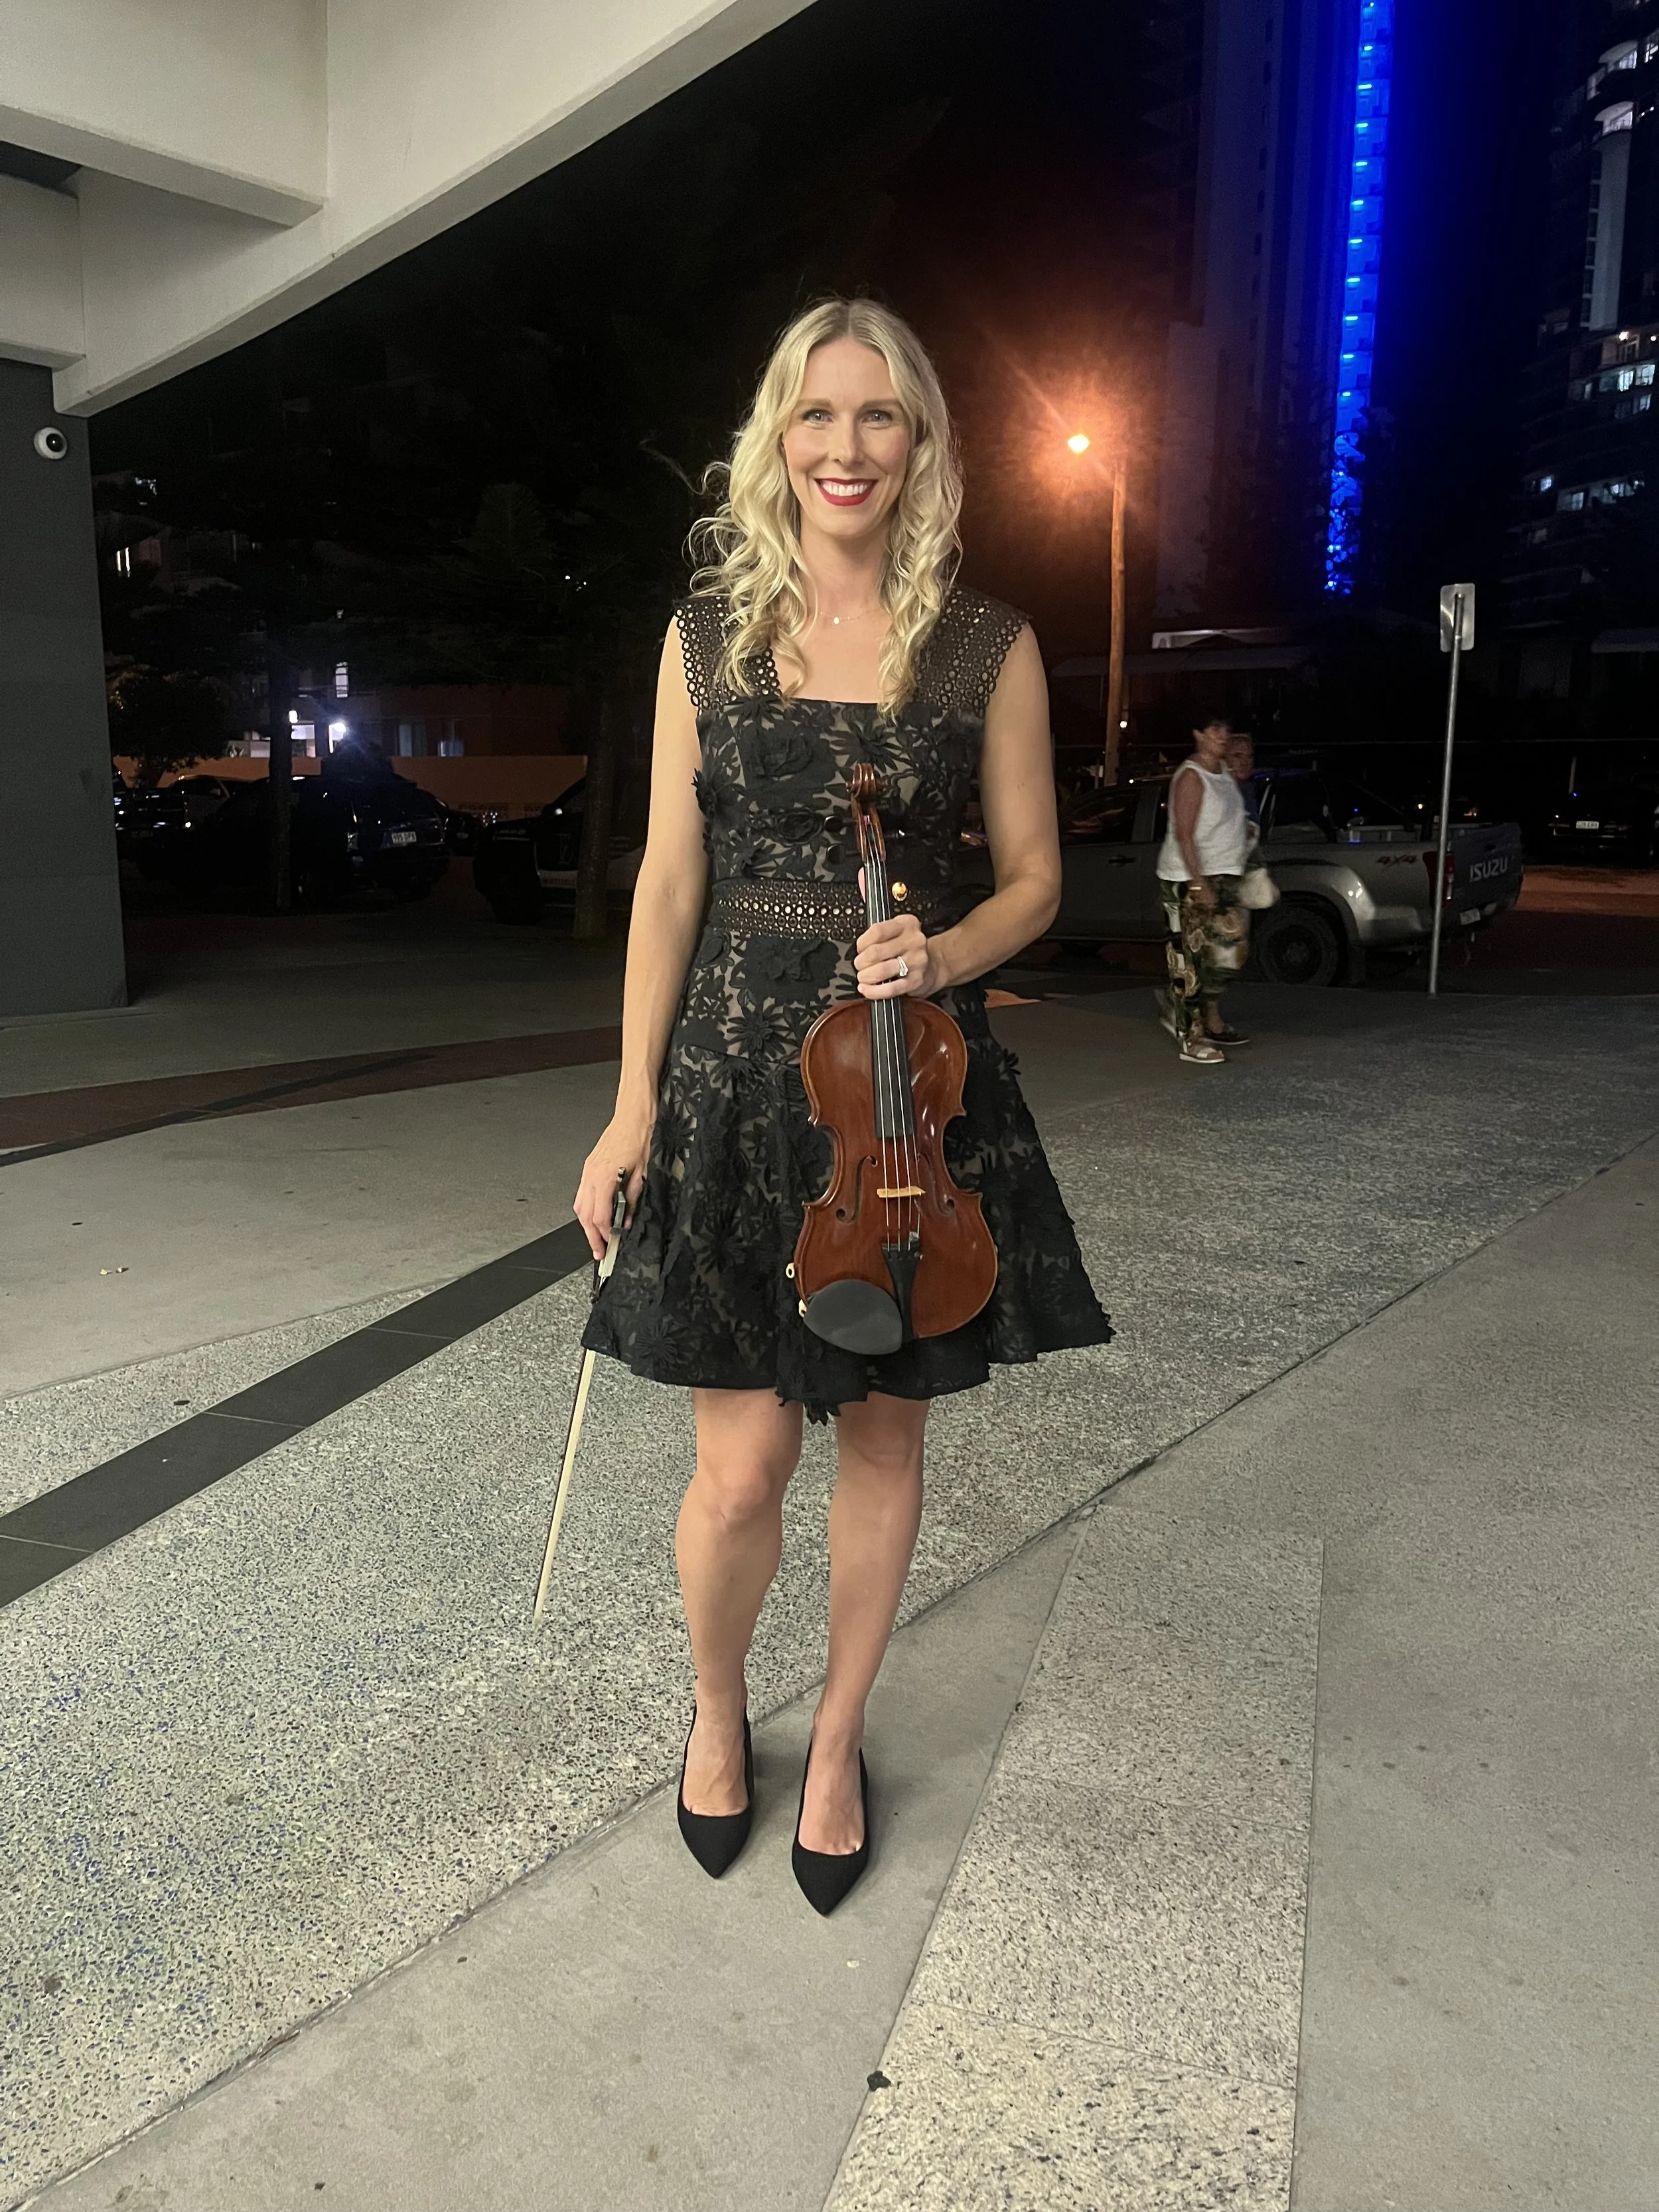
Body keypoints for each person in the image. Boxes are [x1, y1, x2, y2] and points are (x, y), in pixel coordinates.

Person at [572, 298, 1110, 1915]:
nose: (847, 448)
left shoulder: (986, 645)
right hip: (737, 1082)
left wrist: (939, 946)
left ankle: (838, 1743)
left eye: (881, 418)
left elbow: (1034, 882)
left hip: (906, 1104)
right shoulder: (705, 637)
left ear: (922, 443)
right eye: (818, 416)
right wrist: (627, 1104)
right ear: (776, 440)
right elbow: (672, 884)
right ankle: (723, 1709)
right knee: (738, 1473)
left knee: (884, 1442)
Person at [1155, 716, 1251, 1063]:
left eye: (1226, 730)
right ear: (1197, 735)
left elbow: (1243, 767)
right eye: (1215, 731)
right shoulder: (1191, 777)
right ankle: (1190, 1037)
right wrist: (1198, 883)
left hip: (1222, 876)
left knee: (1229, 952)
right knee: (1189, 962)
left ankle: (1202, 1016)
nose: (1223, 737)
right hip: (1187, 878)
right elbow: (1184, 834)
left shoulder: (1222, 771)